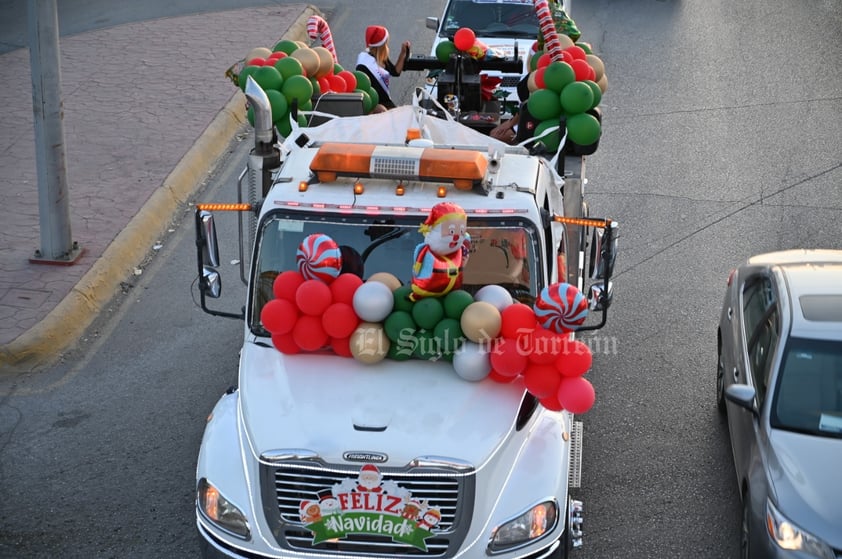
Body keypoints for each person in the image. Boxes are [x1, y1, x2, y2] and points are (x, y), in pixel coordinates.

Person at [355, 25, 411, 112]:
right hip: (374, 106)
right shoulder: (364, 65)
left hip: (385, 103)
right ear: (382, 44)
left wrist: (403, 53)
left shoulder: (381, 58)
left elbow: (396, 72)